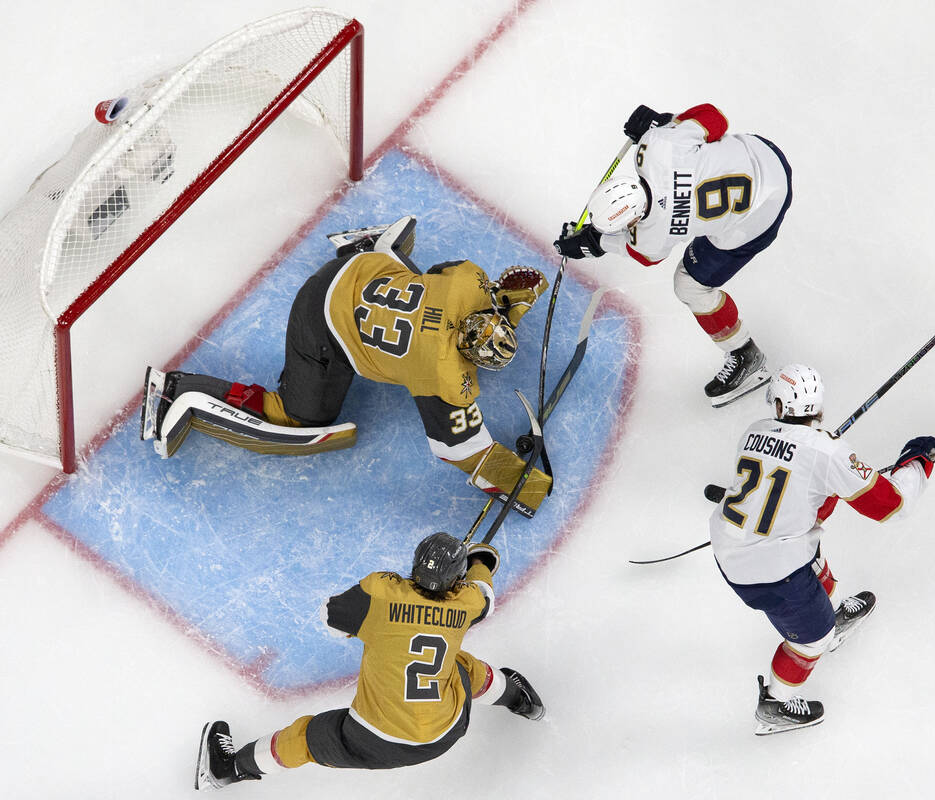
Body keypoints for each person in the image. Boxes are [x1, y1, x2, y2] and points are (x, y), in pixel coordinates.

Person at [140, 215, 553, 515]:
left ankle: (371, 246)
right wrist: (524, 485)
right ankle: (181, 392)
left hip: (358, 272)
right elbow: (461, 450)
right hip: (319, 320)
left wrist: (502, 301)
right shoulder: (441, 373)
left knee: (417, 283)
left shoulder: (469, 281)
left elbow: (440, 275)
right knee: (300, 416)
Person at [194, 532, 545, 790]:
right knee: (461, 666)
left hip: (374, 739)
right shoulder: (465, 601)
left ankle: (230, 769)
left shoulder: (380, 592)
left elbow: (329, 617)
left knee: (304, 738)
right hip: (446, 729)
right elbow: (485, 594)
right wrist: (479, 562)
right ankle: (519, 700)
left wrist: (368, 626)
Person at [708, 363, 935, 734]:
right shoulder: (826, 452)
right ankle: (775, 704)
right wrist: (916, 463)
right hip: (772, 572)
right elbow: (892, 506)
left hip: (731, 545)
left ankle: (833, 610)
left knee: (811, 550)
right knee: (812, 640)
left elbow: (797, 493)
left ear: (782, 408)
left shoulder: (754, 432)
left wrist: (827, 470)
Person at [553, 103, 793, 408]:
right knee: (707, 149)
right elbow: (715, 118)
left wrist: (595, 243)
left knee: (689, 285)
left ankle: (745, 353)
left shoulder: (652, 236)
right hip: (766, 156)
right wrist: (667, 123)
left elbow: (642, 255)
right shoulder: (656, 148)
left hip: (762, 215)